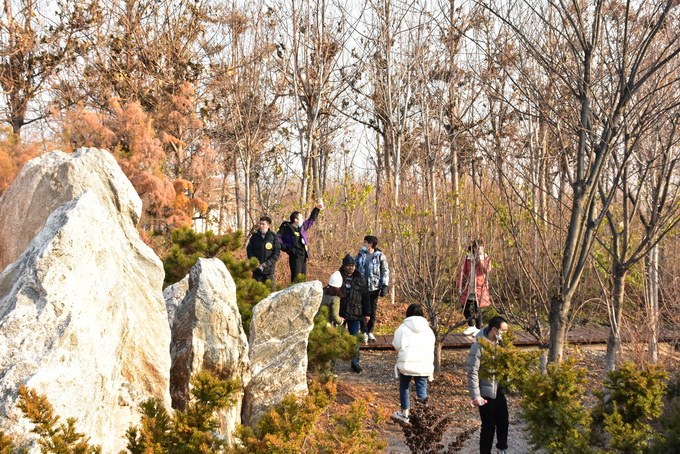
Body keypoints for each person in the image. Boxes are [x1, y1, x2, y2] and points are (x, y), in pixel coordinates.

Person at [468, 316, 509, 454]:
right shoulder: (479, 346)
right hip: (485, 393)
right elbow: (473, 372)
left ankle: (502, 449)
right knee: (489, 426)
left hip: (499, 390)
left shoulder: (502, 345)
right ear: (494, 329)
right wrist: (476, 395)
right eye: (503, 330)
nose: (505, 334)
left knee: (503, 422)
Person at [391, 303, 435, 424]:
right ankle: (423, 415)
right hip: (423, 365)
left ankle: (405, 414)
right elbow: (432, 345)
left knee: (404, 387)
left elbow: (396, 345)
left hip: (407, 363)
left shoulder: (402, 328)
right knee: (422, 390)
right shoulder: (428, 330)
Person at [338, 254, 370, 373]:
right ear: (344, 266)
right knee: (336, 338)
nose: (351, 268)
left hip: (355, 314)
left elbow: (366, 298)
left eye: (353, 265)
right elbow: (330, 294)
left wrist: (367, 313)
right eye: (348, 265)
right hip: (340, 314)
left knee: (354, 340)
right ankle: (331, 362)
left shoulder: (360, 279)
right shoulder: (338, 277)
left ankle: (355, 362)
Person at [278, 199, 323, 282]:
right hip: (295, 257)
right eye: (301, 218)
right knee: (296, 279)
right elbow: (277, 240)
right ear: (296, 220)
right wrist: (288, 249)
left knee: (303, 278)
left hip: (303, 256)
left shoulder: (302, 228)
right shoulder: (286, 229)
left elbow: (311, 220)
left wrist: (317, 208)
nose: (303, 219)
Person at [356, 235, 389, 343]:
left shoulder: (380, 256)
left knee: (372, 310)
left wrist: (384, 285)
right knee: (362, 309)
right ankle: (363, 331)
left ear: (370, 244)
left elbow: (385, 271)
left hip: (374, 288)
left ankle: (370, 331)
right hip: (361, 287)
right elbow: (355, 269)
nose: (363, 244)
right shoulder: (360, 255)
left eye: (365, 242)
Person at [456, 239, 492, 336]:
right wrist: (459, 285)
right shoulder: (467, 258)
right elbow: (462, 272)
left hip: (480, 287)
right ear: (474, 248)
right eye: (478, 248)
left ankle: (479, 328)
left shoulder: (485, 258)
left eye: (481, 248)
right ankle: (471, 325)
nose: (480, 249)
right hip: (468, 286)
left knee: (477, 307)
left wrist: (480, 259)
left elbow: (486, 270)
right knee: (464, 306)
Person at [246, 216, 281, 285]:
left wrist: (268, 263)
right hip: (256, 271)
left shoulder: (273, 237)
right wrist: (254, 261)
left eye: (263, 224)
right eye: (260, 224)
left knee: (270, 290)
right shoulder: (254, 237)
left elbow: (277, 253)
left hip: (269, 271)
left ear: (268, 225)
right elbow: (249, 250)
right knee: (256, 290)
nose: (261, 226)